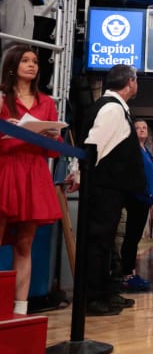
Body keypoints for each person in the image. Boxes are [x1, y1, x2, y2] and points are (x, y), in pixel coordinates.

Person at [0, 45, 63, 315]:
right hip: (6, 170)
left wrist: (51, 136)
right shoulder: (1, 99)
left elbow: (53, 150)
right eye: (25, 60)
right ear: (12, 66)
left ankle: (20, 309)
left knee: (25, 244)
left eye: (35, 61)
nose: (32, 65)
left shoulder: (47, 102)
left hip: (34, 173)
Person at [79, 64, 146, 316]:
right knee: (98, 242)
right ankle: (93, 298)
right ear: (130, 82)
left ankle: (105, 292)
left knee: (105, 243)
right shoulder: (111, 109)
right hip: (103, 188)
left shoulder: (117, 108)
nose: (137, 84)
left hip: (111, 189)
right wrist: (80, 174)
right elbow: (93, 146)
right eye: (136, 80)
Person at [112, 118, 153, 292]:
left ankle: (129, 272)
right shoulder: (131, 150)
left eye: (144, 128)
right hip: (136, 198)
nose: (141, 130)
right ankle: (126, 274)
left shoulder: (145, 151)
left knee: (134, 237)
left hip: (145, 200)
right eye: (137, 127)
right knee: (131, 237)